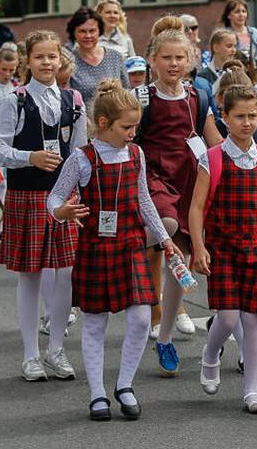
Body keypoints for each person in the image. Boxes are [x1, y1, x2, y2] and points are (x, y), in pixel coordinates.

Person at [49, 79, 172, 421]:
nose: (133, 133)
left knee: (141, 317)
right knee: (94, 324)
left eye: (136, 125)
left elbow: (145, 199)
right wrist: (62, 212)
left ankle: (125, 385)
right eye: (127, 126)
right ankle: (98, 393)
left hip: (131, 243)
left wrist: (164, 237)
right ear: (103, 124)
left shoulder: (136, 153)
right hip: (96, 247)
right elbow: (55, 197)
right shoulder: (81, 158)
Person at [0, 29, 88, 382]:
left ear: (61, 59)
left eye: (53, 56)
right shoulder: (15, 100)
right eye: (40, 56)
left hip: (61, 197)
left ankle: (56, 349)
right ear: (28, 61)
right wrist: (28, 157)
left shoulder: (74, 100)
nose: (47, 62)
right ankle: (30, 354)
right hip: (26, 195)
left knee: (66, 276)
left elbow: (80, 151)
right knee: (29, 276)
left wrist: (77, 189)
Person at [191, 84, 257, 414]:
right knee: (229, 316)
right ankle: (210, 354)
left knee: (252, 320)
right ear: (224, 118)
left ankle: (252, 391)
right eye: (239, 117)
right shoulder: (213, 157)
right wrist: (199, 245)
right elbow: (197, 206)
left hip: (255, 250)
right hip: (222, 248)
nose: (247, 123)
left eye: (252, 116)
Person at [134, 23, 221, 376]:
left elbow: (214, 141)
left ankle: (165, 337)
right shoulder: (142, 97)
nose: (173, 63)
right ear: (152, 60)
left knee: (180, 257)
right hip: (152, 175)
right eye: (166, 57)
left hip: (188, 177)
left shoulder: (197, 97)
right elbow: (126, 137)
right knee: (166, 227)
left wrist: (251, 160)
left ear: (190, 60)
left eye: (179, 57)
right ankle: (133, 249)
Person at [65, 6, 128, 106]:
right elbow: (66, 97)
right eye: (82, 31)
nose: (88, 36)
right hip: (83, 119)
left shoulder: (116, 57)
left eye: (92, 31)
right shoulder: (67, 61)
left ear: (99, 31)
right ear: (74, 33)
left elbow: (126, 92)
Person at [220, 0, 257, 69]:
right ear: (228, 15)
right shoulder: (224, 34)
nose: (241, 15)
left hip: (254, 73)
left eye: (244, 11)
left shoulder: (254, 32)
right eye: (237, 12)